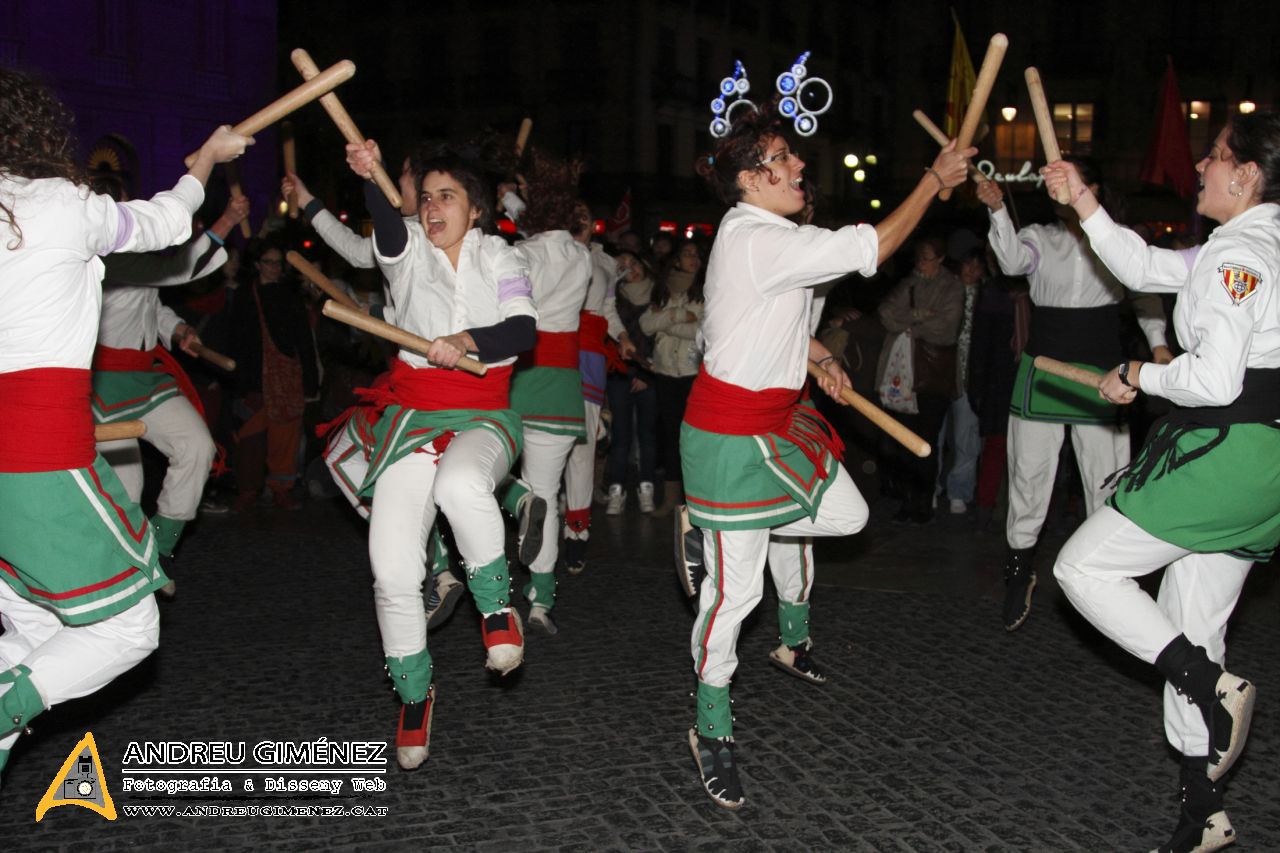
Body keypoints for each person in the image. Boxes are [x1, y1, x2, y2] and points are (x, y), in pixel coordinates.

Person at [680, 98, 973, 809]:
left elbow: (758, 318)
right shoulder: (755, 234)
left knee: (846, 514)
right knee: (736, 593)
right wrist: (934, 181)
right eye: (780, 158)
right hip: (727, 435)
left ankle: (718, 531)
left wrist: (815, 355)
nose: (798, 164)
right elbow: (871, 247)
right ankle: (710, 724)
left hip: (775, 423)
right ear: (748, 180)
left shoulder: (762, 235)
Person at [0, 66, 248, 781]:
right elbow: (168, 223)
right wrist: (205, 159)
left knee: (38, 636)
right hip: (39, 457)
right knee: (132, 628)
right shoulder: (62, 203)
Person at [1045, 116, 1280, 853]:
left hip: (1224, 455)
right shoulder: (1246, 246)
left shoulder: (1238, 253)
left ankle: (1213, 685)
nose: (1201, 168)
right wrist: (1084, 202)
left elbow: (1213, 379)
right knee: (1190, 617)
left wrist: (1139, 374)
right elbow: (1145, 266)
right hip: (1261, 467)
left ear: (1247, 177)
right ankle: (1202, 812)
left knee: (1081, 567)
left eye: (1214, 158)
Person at [345, 138, 536, 770]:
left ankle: (497, 608)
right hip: (412, 421)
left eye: (446, 196)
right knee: (393, 569)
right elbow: (388, 227)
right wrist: (370, 173)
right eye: (424, 198)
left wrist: (466, 338)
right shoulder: (405, 256)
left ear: (475, 209)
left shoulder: (501, 256)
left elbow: (522, 329)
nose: (431, 208)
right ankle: (413, 694)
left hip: (485, 411)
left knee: (461, 486)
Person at [977, 160, 1170, 631]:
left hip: (1103, 374)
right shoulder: (1041, 237)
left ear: (1091, 188)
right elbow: (1009, 262)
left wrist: (1160, 344)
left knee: (1105, 480)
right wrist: (999, 209)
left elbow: (1145, 294)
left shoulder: (1117, 239)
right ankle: (1019, 570)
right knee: (1029, 476)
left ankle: (1106, 577)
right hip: (1043, 371)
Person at [93, 194, 250, 595]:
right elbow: (175, 272)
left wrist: (177, 329)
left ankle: (159, 549)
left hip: (146, 377)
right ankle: (122, 575)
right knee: (126, 490)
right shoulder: (106, 258)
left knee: (197, 445)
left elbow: (152, 303)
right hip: (104, 387)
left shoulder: (137, 260)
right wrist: (228, 219)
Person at [500, 151, 592, 635]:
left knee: (481, 474)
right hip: (561, 390)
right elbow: (543, 232)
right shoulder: (581, 257)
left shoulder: (520, 256)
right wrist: (517, 198)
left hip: (518, 380)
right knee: (548, 494)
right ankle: (541, 601)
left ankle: (516, 501)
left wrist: (515, 199)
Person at [875, 237, 963, 523]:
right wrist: (919, 315)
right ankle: (907, 499)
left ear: (939, 258)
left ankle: (924, 501)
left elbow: (947, 329)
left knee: (926, 440)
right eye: (919, 257)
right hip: (901, 374)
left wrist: (912, 323)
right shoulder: (909, 284)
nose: (920, 263)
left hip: (931, 376)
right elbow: (886, 313)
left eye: (926, 257)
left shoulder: (951, 286)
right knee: (902, 439)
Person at [227, 241, 320, 511]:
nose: (275, 268)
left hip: (286, 377)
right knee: (249, 436)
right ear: (257, 265)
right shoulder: (246, 295)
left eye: (278, 263)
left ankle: (282, 488)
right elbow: (236, 338)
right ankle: (247, 489)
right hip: (253, 377)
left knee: (285, 436)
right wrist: (237, 380)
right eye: (269, 262)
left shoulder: (289, 296)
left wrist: (310, 378)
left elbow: (304, 339)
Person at [561, 201, 622, 574]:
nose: (581, 217)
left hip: (588, 354)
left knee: (581, 451)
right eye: (574, 211)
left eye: (586, 212)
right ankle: (538, 524)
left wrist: (625, 336)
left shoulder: (605, 262)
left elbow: (609, 311)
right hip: (551, 350)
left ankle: (577, 533)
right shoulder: (549, 248)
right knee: (547, 444)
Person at [641, 238, 705, 515]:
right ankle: (670, 499)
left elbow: (702, 333)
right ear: (677, 260)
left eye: (697, 255)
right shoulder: (663, 293)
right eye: (687, 253)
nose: (692, 259)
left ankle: (695, 501)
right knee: (670, 435)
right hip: (666, 372)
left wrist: (666, 324)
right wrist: (679, 314)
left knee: (693, 438)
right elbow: (645, 324)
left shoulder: (707, 293)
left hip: (693, 374)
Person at [604, 249, 659, 514]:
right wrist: (629, 373)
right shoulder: (612, 300)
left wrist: (646, 375)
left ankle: (646, 486)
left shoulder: (659, 295)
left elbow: (662, 341)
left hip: (652, 375)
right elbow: (609, 338)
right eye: (624, 265)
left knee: (647, 435)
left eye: (635, 262)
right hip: (619, 374)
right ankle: (617, 489)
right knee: (621, 434)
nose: (631, 269)